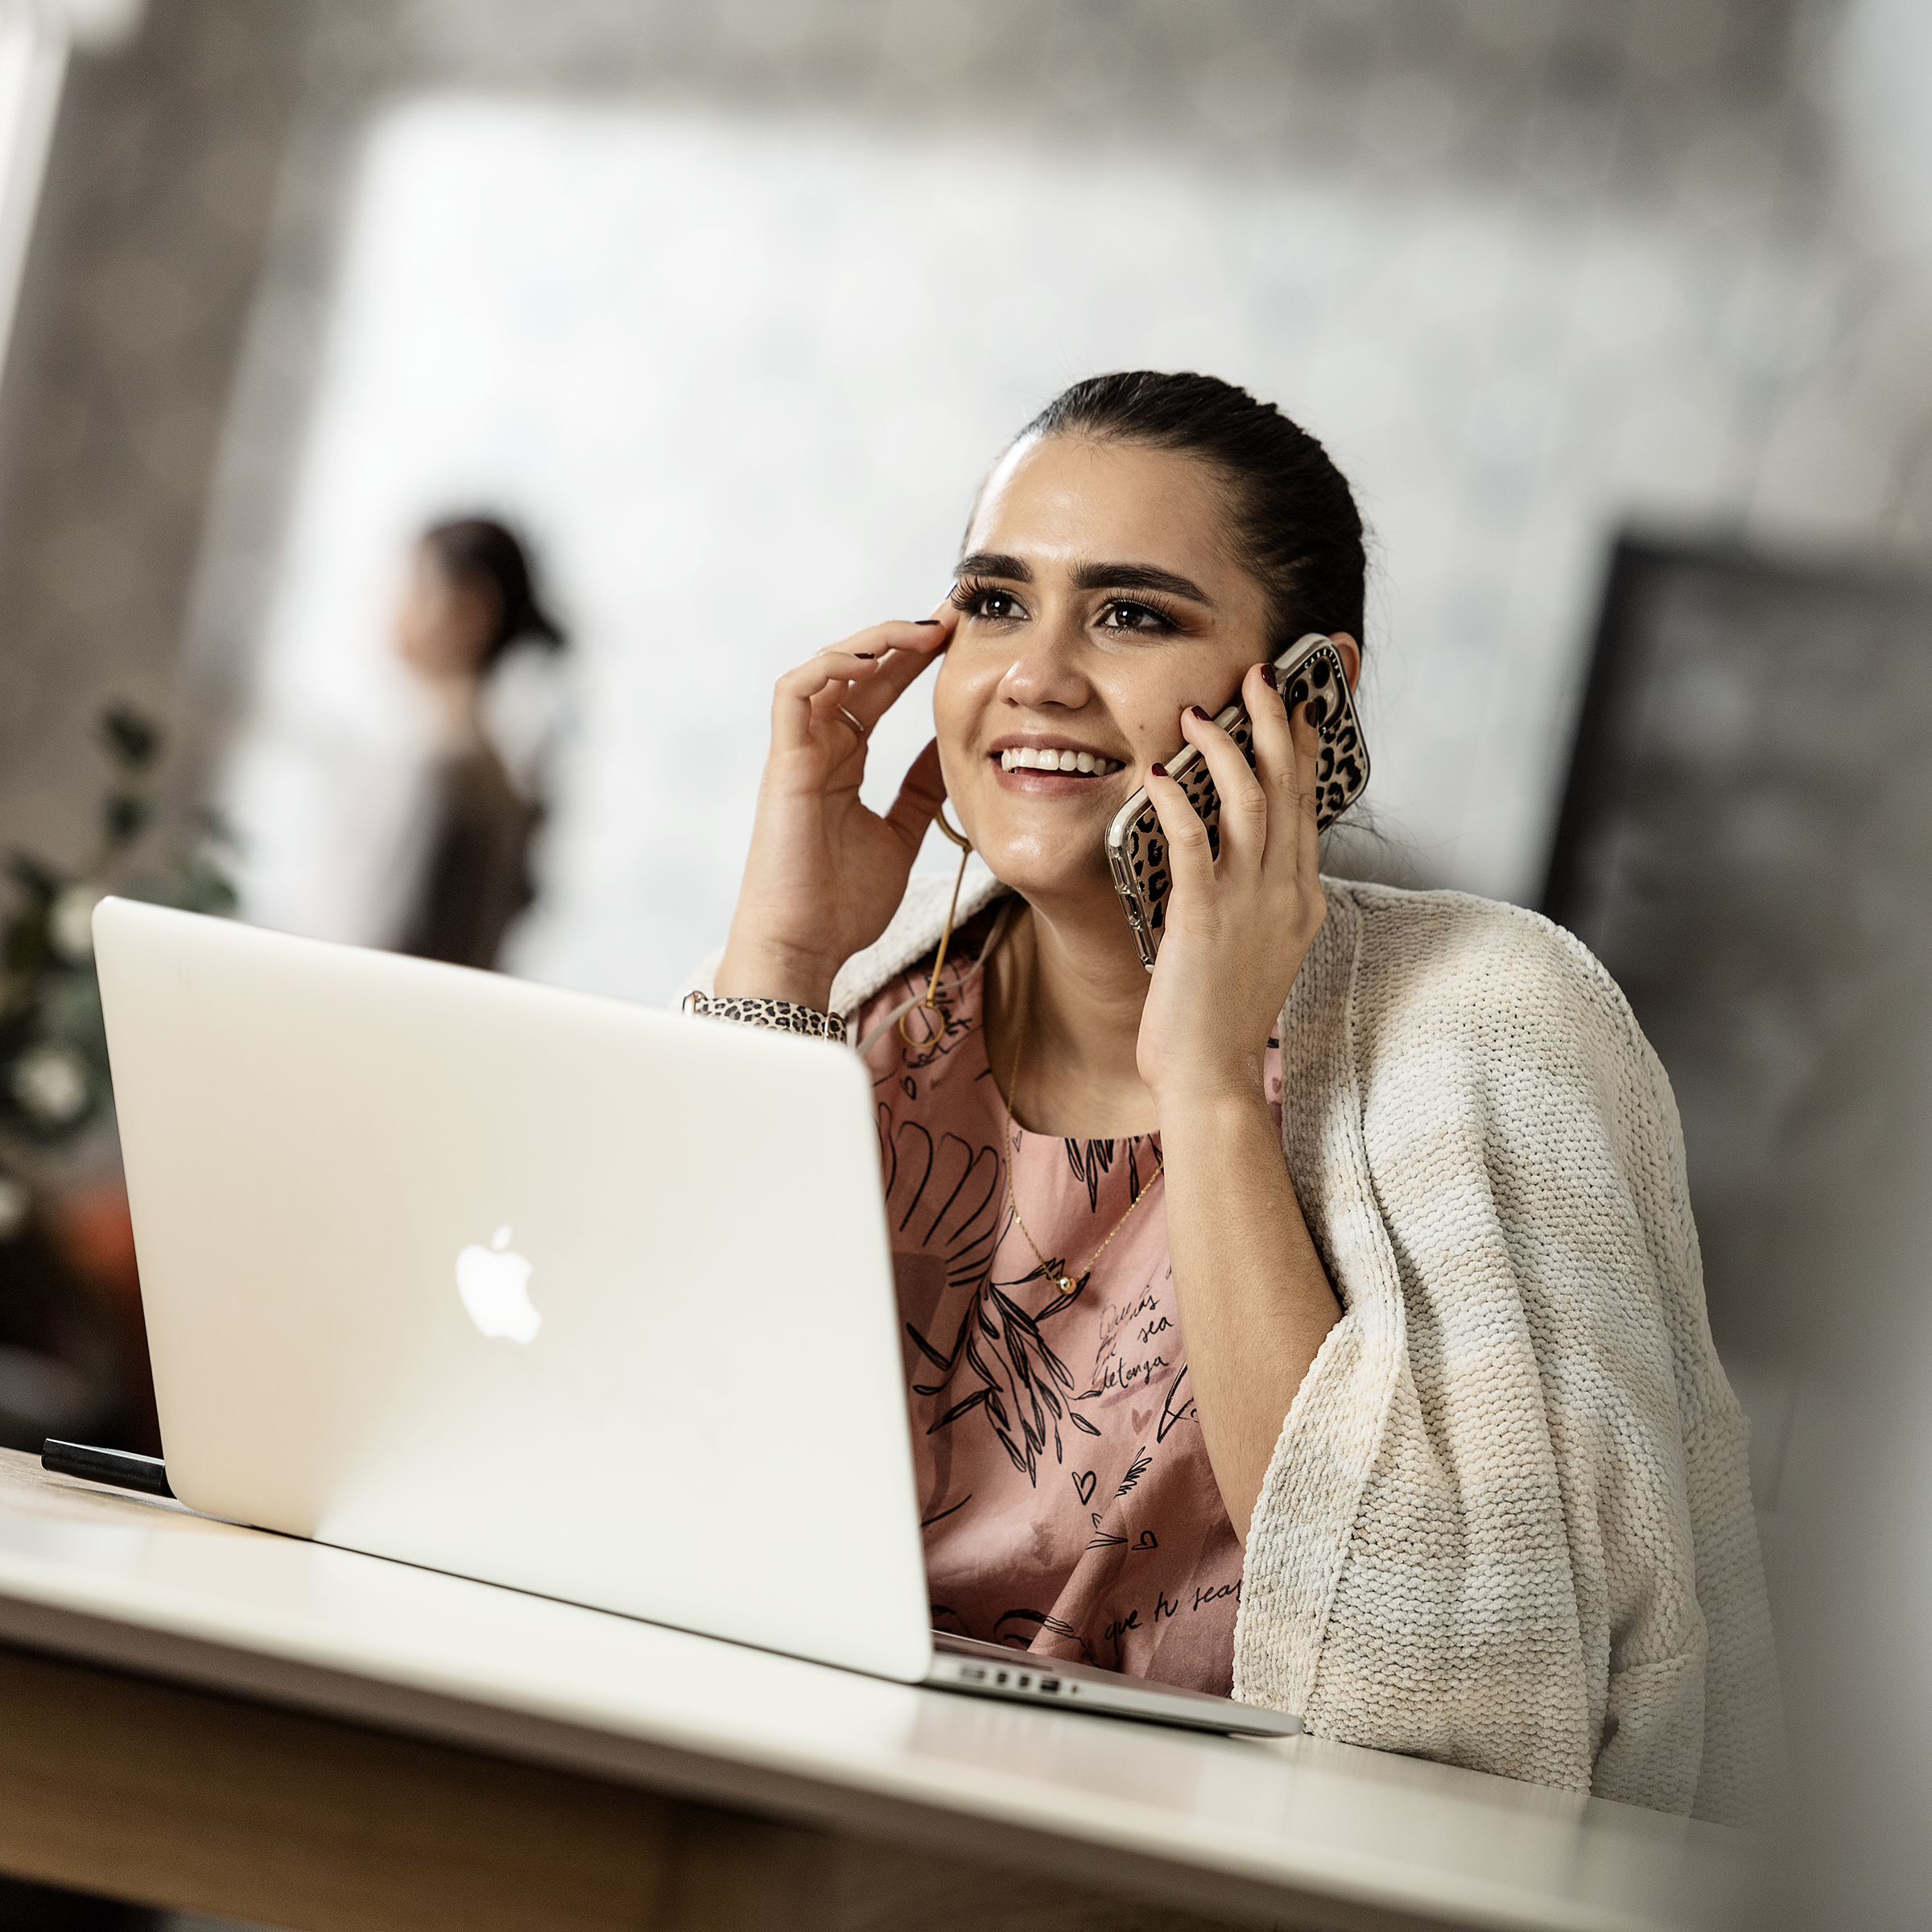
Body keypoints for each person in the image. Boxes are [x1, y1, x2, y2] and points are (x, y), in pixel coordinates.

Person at [681, 372, 1783, 1828]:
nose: (1040, 676)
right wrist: (782, 961)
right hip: (813, 1826)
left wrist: (1205, 1086)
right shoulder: (884, 1030)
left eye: (1133, 615)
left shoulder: (1480, 1023)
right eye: (996, 603)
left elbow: (1458, 1702)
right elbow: (650, 1492)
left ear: (1310, 694)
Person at [389, 517, 566, 968]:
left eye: (414, 589)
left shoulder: (439, 773)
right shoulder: (504, 778)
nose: (394, 611)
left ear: (468, 613)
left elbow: (361, 940)